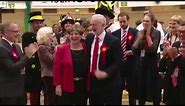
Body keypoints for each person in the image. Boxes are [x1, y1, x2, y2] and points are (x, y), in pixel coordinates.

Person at [86, 14, 122, 105]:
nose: (92, 27)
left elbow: (118, 62)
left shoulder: (113, 41)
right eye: (91, 24)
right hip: (93, 81)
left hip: (109, 81)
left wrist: (106, 73)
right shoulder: (89, 38)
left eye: (95, 24)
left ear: (103, 25)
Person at [0, 22, 38, 105]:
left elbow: (22, 64)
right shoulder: (1, 48)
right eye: (15, 32)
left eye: (18, 31)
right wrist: (27, 55)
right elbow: (12, 68)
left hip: (19, 90)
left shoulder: (16, 46)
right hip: (8, 92)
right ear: (6, 32)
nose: (18, 34)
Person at [53, 24, 89, 105]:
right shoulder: (62, 49)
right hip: (66, 85)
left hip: (82, 86)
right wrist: (57, 85)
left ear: (81, 35)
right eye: (71, 34)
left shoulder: (86, 48)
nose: (73, 36)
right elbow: (57, 68)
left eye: (76, 34)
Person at [132, 14, 161, 105]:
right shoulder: (139, 32)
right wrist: (139, 39)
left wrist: (148, 36)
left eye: (147, 21)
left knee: (153, 88)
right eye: (144, 21)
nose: (145, 23)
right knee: (141, 88)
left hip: (151, 64)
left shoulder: (156, 32)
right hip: (141, 64)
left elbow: (153, 49)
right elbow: (133, 49)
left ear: (152, 22)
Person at [111, 12, 138, 105]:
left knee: (132, 89)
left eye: (124, 21)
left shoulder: (135, 32)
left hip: (131, 64)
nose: (122, 23)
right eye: (120, 22)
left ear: (128, 20)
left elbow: (138, 47)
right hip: (119, 66)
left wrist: (132, 52)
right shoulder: (114, 34)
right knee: (118, 88)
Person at [21, 11, 44, 105]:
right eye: (36, 23)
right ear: (31, 23)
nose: (38, 25)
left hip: (45, 67)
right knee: (34, 94)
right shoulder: (27, 36)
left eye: (40, 22)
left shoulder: (45, 34)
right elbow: (29, 52)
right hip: (33, 68)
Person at [161, 22, 185, 105]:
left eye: (184, 32)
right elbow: (163, 68)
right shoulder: (175, 45)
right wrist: (165, 55)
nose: (181, 34)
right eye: (180, 32)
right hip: (172, 89)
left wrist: (176, 57)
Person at [37, 27, 57, 105]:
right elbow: (52, 60)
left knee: (54, 96)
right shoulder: (41, 48)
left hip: (53, 74)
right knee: (50, 96)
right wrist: (56, 49)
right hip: (48, 74)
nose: (53, 35)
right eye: (51, 33)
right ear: (46, 35)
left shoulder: (50, 46)